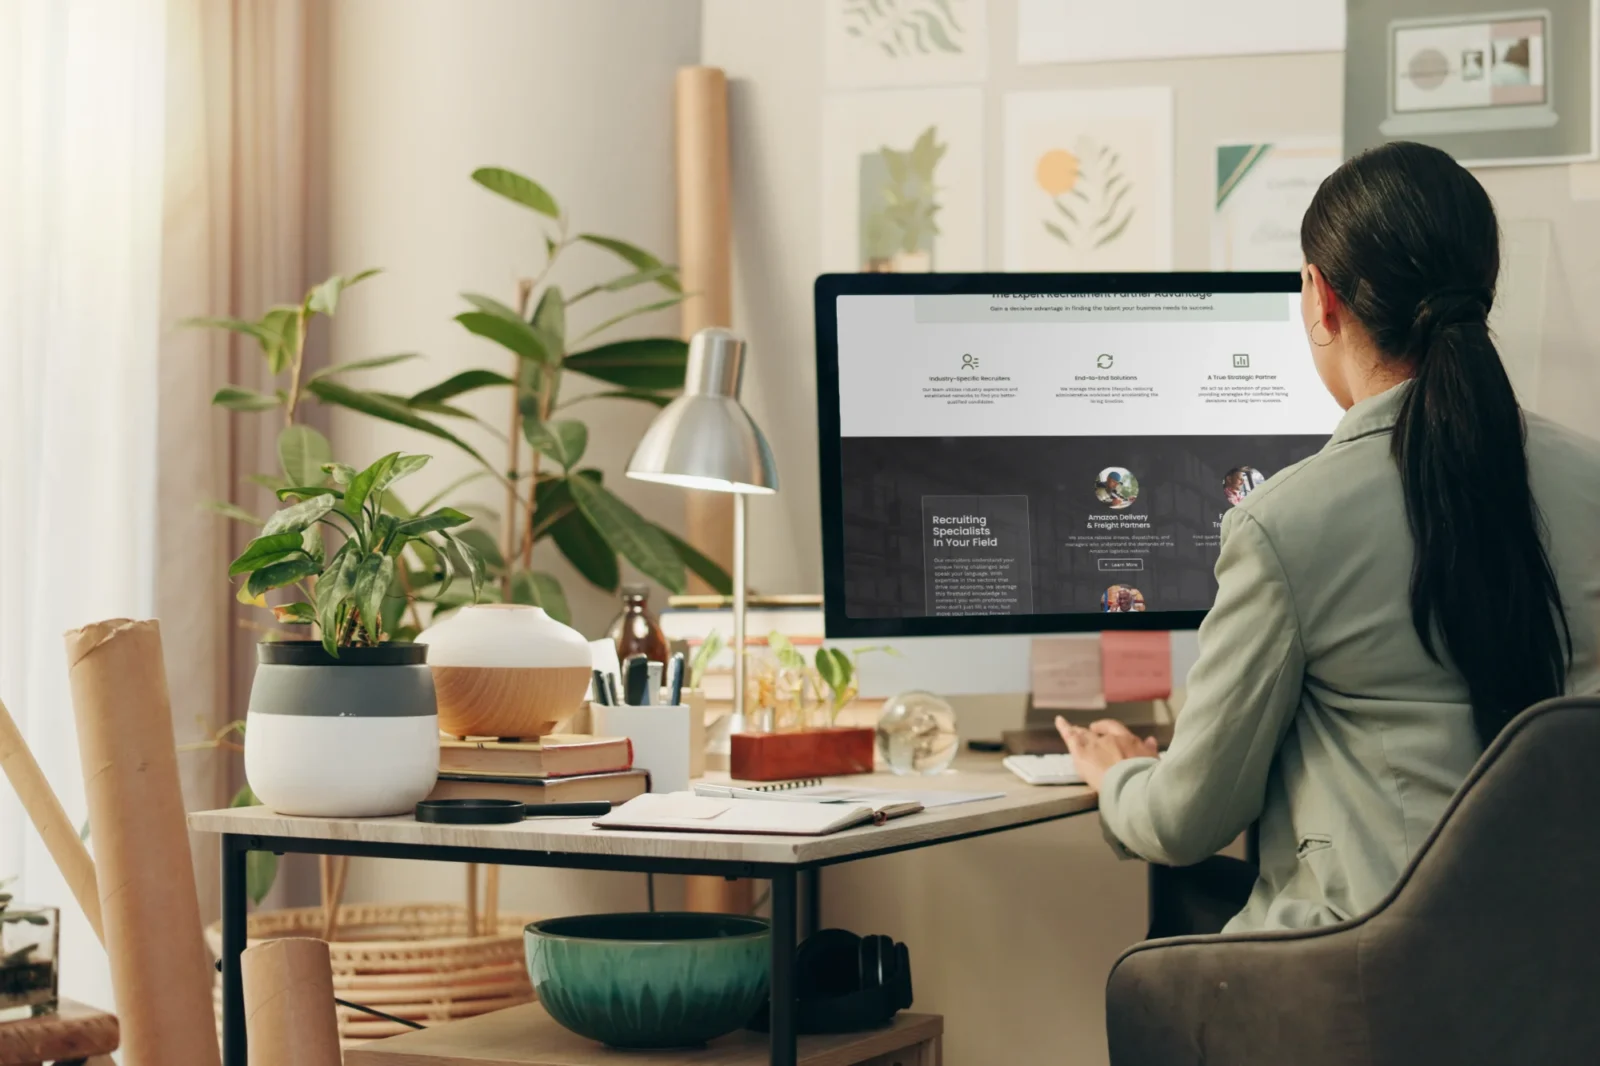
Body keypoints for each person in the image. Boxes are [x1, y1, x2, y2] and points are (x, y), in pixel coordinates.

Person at [1059, 141, 1600, 937]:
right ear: (1483, 290)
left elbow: (1183, 822)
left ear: (1321, 298)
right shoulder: (1588, 479)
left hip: (1366, 987)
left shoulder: (1285, 524)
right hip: (1556, 980)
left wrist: (1120, 777)